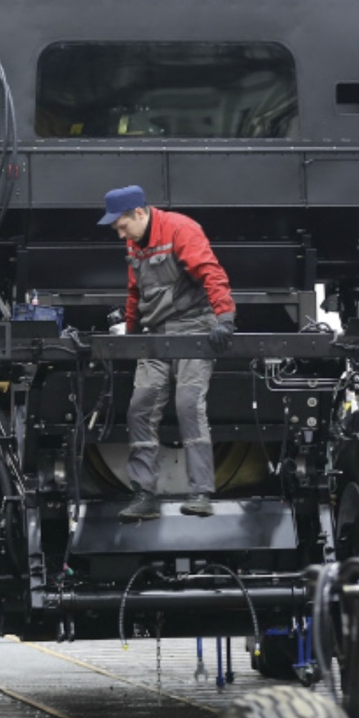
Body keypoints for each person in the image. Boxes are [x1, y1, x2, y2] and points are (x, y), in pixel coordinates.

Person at [98, 184, 236, 522]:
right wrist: (130, 333)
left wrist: (225, 318)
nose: (119, 234)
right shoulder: (135, 242)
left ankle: (200, 492)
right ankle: (144, 495)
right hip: (156, 334)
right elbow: (136, 292)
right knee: (139, 409)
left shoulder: (181, 229)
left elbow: (211, 273)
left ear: (140, 213)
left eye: (121, 225)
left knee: (188, 404)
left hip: (193, 328)